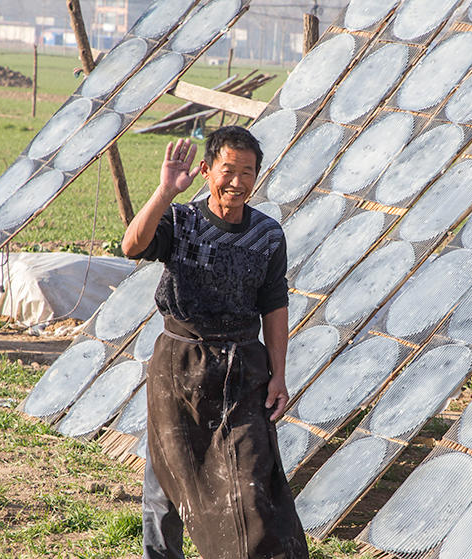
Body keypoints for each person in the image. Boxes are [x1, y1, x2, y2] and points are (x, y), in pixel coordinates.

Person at [122, 126, 307, 559]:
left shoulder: (267, 236)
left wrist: (279, 375)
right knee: (164, 483)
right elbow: (132, 246)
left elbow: (274, 305)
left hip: (242, 369)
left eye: (248, 172)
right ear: (206, 171)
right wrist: (165, 192)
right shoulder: (181, 221)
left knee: (252, 480)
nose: (237, 182)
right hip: (180, 364)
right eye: (228, 170)